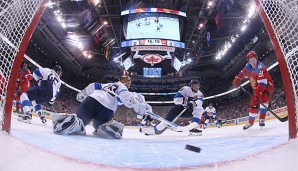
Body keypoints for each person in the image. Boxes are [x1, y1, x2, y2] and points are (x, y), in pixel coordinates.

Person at [52, 75, 152, 139]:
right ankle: (105, 127)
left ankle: (73, 122)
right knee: (99, 126)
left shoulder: (107, 84)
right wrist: (134, 101)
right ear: (128, 83)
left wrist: (84, 93)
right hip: (107, 108)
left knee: (82, 122)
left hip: (92, 100)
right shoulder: (122, 86)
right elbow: (124, 95)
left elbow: (93, 85)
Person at [141, 79, 205, 136]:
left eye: (198, 85)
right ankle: (153, 130)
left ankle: (192, 128)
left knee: (200, 109)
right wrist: (187, 100)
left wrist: (193, 103)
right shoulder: (185, 89)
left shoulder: (200, 94)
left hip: (189, 110)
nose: (197, 86)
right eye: (195, 85)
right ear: (191, 85)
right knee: (166, 122)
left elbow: (200, 102)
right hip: (178, 108)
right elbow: (176, 100)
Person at [233, 51, 274, 130]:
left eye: (254, 60)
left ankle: (262, 118)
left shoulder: (261, 67)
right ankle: (250, 123)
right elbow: (241, 74)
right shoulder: (248, 67)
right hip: (257, 87)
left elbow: (262, 84)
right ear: (248, 61)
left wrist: (257, 94)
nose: (252, 62)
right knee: (253, 102)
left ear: (257, 59)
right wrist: (237, 79)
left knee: (263, 98)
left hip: (267, 85)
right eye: (250, 60)